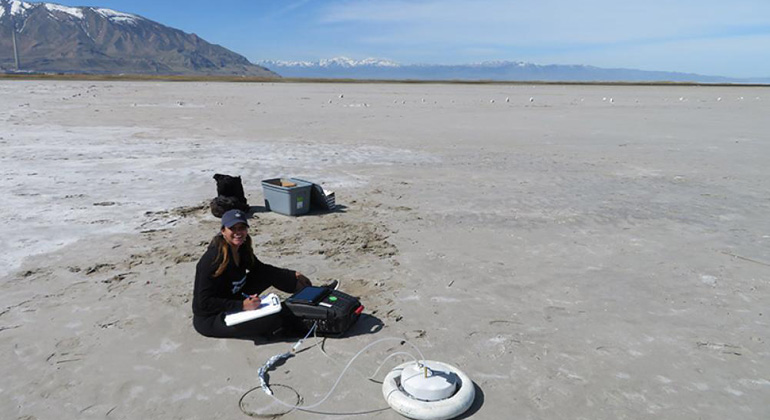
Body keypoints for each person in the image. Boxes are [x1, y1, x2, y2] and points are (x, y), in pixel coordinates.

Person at [192, 209, 312, 339]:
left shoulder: (242, 248)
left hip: (234, 296)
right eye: (233, 228)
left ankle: (310, 296)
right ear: (223, 231)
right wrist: (242, 305)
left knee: (268, 274)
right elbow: (203, 303)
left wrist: (293, 275)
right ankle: (301, 324)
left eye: (242, 228)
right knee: (271, 319)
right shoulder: (212, 260)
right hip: (211, 317)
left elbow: (261, 269)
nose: (238, 233)